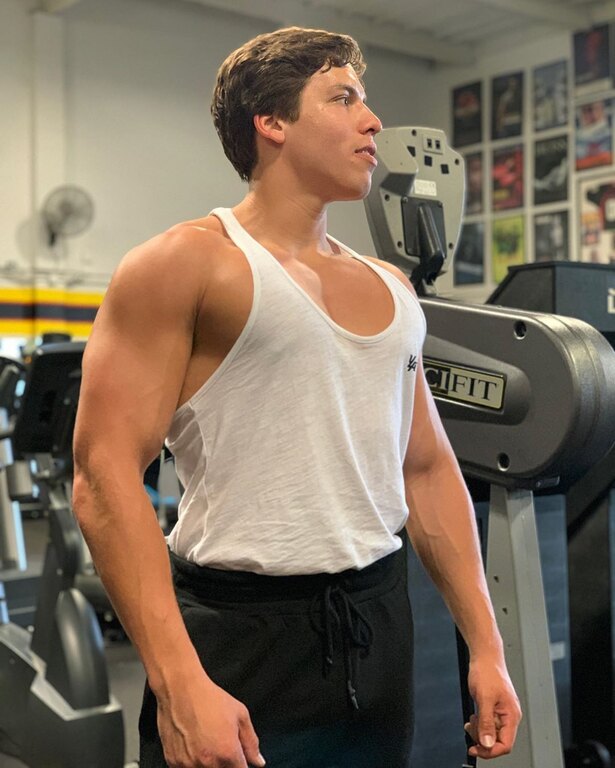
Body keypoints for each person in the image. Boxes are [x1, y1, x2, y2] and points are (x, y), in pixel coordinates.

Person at [72, 26, 521, 768]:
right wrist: (179, 683)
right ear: (271, 122)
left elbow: (425, 468)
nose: (373, 121)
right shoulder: (186, 263)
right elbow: (103, 476)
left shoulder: (391, 287)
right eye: (343, 99)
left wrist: (487, 645)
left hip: (377, 625)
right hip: (238, 635)